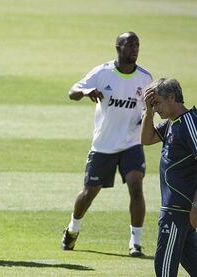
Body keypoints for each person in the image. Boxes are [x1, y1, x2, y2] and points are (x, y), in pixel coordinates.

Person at [61, 32, 152, 257]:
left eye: (137, 45)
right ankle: (72, 230)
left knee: (136, 185)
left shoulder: (145, 78)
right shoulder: (102, 72)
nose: (135, 49)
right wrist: (84, 92)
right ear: (118, 47)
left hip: (131, 142)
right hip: (104, 145)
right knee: (89, 192)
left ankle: (136, 243)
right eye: (130, 44)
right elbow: (72, 91)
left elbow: (152, 105)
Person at [141, 78, 197, 276]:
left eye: (157, 103)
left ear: (172, 97)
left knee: (164, 269)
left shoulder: (189, 123)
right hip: (178, 211)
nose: (155, 108)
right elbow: (146, 139)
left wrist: (196, 207)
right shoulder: (171, 124)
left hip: (178, 212)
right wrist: (147, 112)